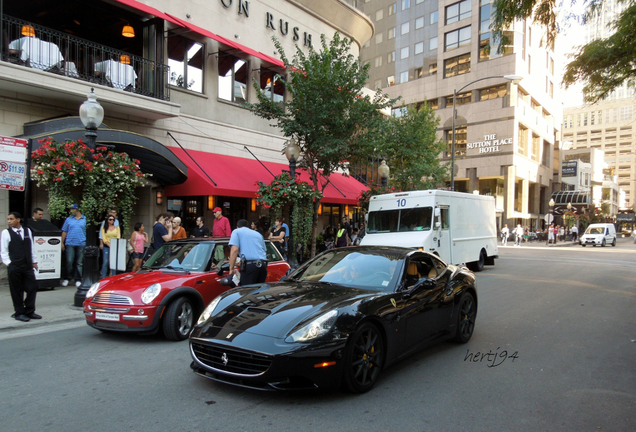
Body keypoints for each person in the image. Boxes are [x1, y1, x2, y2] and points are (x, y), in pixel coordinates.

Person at [1, 212, 39, 322]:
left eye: (11, 219)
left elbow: (31, 247)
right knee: (16, 290)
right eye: (8, 219)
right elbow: (4, 250)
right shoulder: (6, 233)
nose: (9, 221)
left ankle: (30, 311)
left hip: (27, 265)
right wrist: (8, 263)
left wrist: (34, 261)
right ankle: (19, 312)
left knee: (32, 287)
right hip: (14, 266)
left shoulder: (27, 231)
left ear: (18, 220)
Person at [228, 219, 268, 286]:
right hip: (262, 265)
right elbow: (264, 251)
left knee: (246, 291)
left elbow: (234, 250)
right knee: (259, 292)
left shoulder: (236, 231)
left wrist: (231, 268)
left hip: (250, 266)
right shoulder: (258, 234)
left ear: (237, 226)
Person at [61, 204, 86, 287]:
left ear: (77, 210)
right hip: (70, 243)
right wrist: (62, 242)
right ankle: (67, 278)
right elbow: (64, 231)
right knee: (69, 261)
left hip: (81, 243)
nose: (71, 211)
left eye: (73, 209)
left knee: (79, 262)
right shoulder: (68, 219)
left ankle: (78, 279)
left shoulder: (85, 219)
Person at [100, 214, 120, 279]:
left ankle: (114, 277)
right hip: (107, 245)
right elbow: (104, 237)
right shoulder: (104, 228)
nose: (112, 221)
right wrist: (108, 244)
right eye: (110, 219)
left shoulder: (117, 228)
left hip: (114, 245)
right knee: (105, 262)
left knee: (113, 262)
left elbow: (118, 236)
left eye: (113, 219)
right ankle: (103, 277)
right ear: (107, 220)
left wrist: (113, 244)